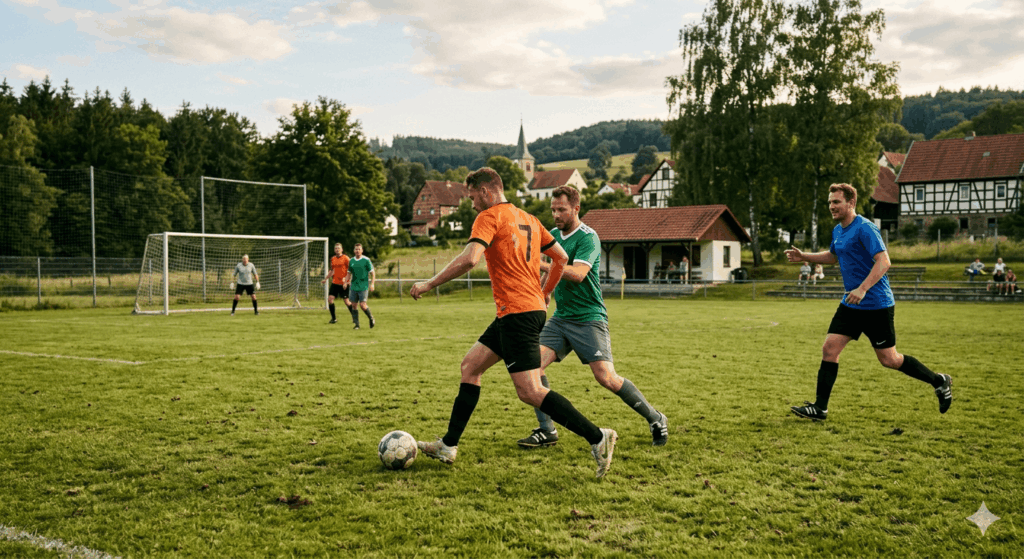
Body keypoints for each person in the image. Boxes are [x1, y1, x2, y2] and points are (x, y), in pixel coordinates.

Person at [409, 167, 618, 479]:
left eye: (471, 197)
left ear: (486, 191)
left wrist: (429, 283)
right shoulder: (529, 219)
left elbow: (470, 258)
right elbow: (561, 259)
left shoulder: (489, 216)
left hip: (518, 313)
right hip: (524, 310)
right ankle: (448, 446)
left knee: (530, 391)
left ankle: (598, 437)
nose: (471, 203)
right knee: (470, 367)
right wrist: (545, 294)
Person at [516, 185, 668, 450]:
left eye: (561, 209)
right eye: (553, 210)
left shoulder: (588, 238)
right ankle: (547, 430)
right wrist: (545, 291)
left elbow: (577, 274)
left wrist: (536, 263)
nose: (556, 215)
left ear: (576, 208)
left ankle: (655, 418)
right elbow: (550, 272)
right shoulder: (553, 235)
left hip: (589, 318)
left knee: (607, 378)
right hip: (561, 319)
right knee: (532, 370)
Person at [784, 183, 952, 422]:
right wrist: (805, 257)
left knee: (889, 360)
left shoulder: (865, 228)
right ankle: (820, 408)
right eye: (830, 202)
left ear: (851, 203)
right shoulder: (838, 230)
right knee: (829, 349)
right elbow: (833, 256)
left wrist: (862, 289)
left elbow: (884, 261)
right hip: (851, 304)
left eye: (836, 202)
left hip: (876, 305)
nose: (831, 206)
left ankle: (939, 381)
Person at [344, 243, 375, 329]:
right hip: (354, 286)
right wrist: (346, 282)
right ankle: (357, 324)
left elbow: (372, 273)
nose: (357, 251)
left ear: (362, 250)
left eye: (359, 249)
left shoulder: (366, 260)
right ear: (354, 251)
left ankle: (371, 318)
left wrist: (372, 284)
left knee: (362, 305)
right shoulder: (352, 261)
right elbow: (349, 273)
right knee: (354, 305)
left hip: (363, 286)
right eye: (356, 249)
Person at [321, 243, 351, 324]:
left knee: (347, 302)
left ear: (342, 249)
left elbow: (351, 270)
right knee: (330, 299)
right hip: (335, 283)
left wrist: (347, 281)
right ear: (334, 250)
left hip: (344, 284)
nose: (337, 249)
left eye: (339, 248)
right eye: (336, 248)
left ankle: (355, 316)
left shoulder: (346, 258)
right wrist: (326, 279)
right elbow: (332, 270)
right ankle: (334, 319)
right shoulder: (333, 259)